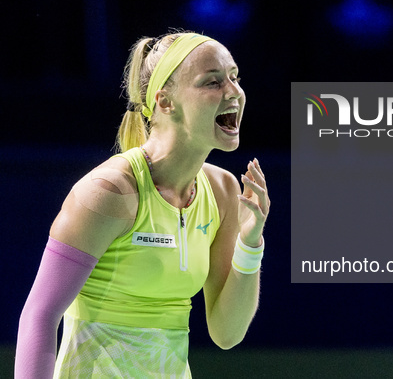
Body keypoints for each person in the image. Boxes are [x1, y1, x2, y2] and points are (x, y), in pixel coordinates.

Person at [15, 30, 270, 377]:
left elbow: (227, 333)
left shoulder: (223, 191)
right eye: (212, 82)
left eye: (234, 78)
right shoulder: (109, 193)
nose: (234, 92)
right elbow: (40, 316)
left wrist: (250, 242)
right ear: (165, 102)